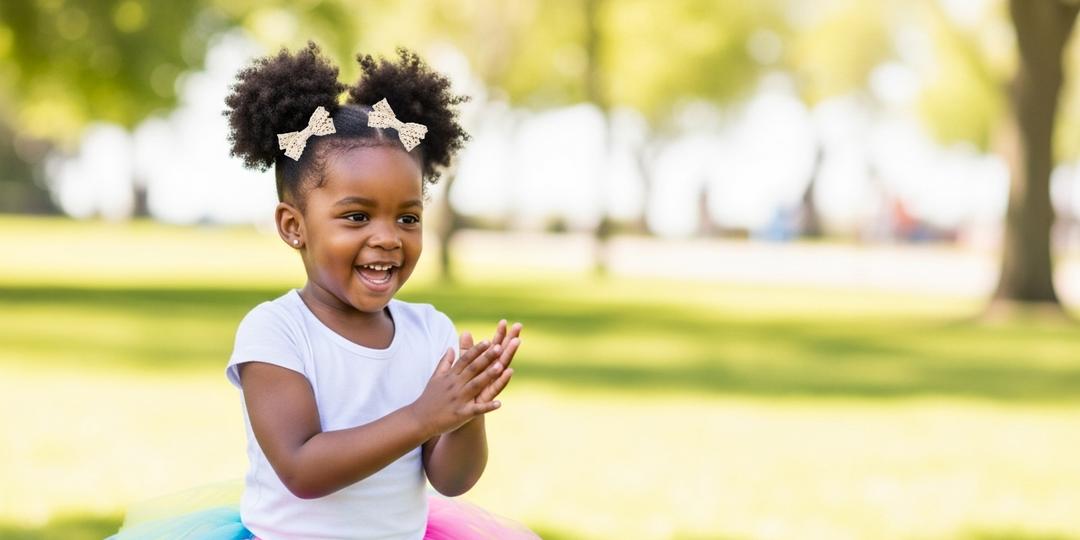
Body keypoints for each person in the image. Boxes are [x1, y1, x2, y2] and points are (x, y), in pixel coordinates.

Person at [108, 42, 540, 540]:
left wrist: (465, 411)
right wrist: (423, 416)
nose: (387, 237)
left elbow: (452, 480)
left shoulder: (429, 330)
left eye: (408, 217)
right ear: (294, 226)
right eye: (357, 216)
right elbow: (302, 470)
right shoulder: (276, 332)